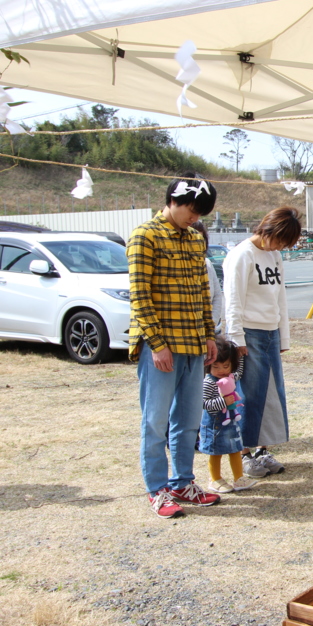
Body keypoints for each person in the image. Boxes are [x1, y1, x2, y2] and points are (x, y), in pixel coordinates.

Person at [128, 172, 221, 518]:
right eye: (192, 209)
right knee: (155, 422)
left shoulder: (196, 241)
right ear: (173, 200)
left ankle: (183, 482)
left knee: (188, 420)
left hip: (195, 344)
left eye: (200, 212)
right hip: (161, 347)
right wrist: (156, 343)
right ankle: (157, 489)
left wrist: (209, 335)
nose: (195, 217)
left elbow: (201, 293)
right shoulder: (144, 236)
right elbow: (139, 295)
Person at [222, 207, 302, 477]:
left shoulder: (274, 255)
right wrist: (236, 338)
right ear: (269, 231)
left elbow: (280, 297)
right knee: (248, 395)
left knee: (271, 395)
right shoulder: (241, 255)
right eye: (281, 240)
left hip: (269, 332)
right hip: (249, 332)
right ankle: (243, 453)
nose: (281, 247)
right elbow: (232, 299)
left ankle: (262, 450)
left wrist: (283, 334)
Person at [201, 336, 258, 493]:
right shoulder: (208, 382)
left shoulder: (230, 376)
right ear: (208, 365)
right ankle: (215, 479)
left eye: (226, 366)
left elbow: (238, 371)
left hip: (231, 422)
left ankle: (238, 478)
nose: (222, 371)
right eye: (216, 367)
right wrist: (223, 401)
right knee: (215, 452)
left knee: (235, 449)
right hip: (214, 424)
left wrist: (240, 354)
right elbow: (204, 404)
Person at [191, 221, 224, 334]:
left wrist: (211, 324)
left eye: (201, 239)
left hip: (210, 330)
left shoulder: (207, 263)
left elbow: (217, 296)